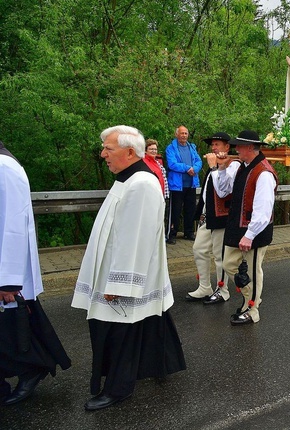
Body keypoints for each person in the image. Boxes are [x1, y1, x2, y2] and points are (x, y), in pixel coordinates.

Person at [72, 126, 186, 410]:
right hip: (119, 268)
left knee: (122, 329)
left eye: (108, 149)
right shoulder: (128, 179)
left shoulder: (142, 184)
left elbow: (135, 237)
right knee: (147, 321)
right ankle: (160, 365)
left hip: (127, 275)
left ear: (129, 152)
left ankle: (118, 388)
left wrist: (120, 285)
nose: (103, 155)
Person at [0, 141, 71, 406]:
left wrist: (8, 279)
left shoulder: (5, 167)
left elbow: (13, 225)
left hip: (6, 273)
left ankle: (32, 369)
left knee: (14, 329)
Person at [213, 130, 277, 325]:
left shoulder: (264, 173)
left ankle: (252, 309)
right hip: (239, 228)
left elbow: (263, 210)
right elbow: (223, 190)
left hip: (255, 231)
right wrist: (222, 168)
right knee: (229, 264)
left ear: (250, 148)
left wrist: (250, 235)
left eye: (239, 146)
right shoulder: (244, 167)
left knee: (252, 270)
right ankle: (251, 298)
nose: (236, 149)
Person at [186, 132, 233, 304]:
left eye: (217, 145)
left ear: (227, 147)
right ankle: (204, 286)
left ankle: (223, 290)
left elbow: (223, 190)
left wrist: (215, 167)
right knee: (199, 249)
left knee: (220, 255)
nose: (213, 148)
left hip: (222, 216)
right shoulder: (216, 162)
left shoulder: (232, 164)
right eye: (212, 145)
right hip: (208, 215)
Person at [165, 125, 202, 244]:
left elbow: (199, 161)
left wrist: (194, 169)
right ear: (177, 134)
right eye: (182, 133)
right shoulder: (171, 148)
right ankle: (172, 233)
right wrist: (187, 168)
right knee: (175, 210)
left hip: (191, 184)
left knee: (190, 209)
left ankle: (189, 232)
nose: (184, 135)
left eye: (186, 133)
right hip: (177, 185)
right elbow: (172, 164)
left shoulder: (192, 147)